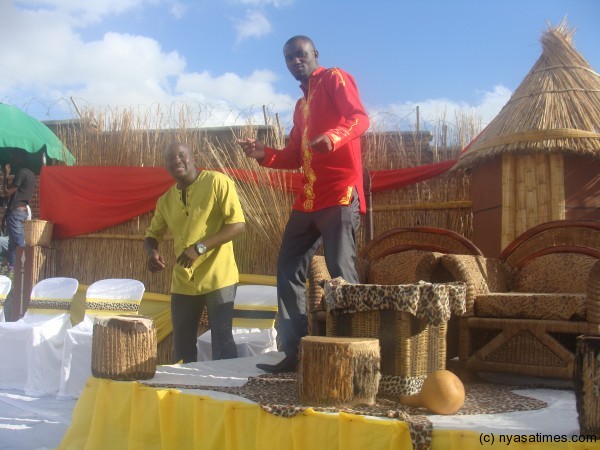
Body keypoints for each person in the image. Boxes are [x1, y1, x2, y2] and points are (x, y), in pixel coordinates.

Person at [238, 35, 370, 373]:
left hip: (339, 193)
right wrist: (263, 154)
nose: (295, 61)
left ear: (314, 55)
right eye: (289, 58)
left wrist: (333, 137)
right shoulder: (300, 107)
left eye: (300, 54)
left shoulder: (334, 78)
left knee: (342, 273)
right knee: (287, 268)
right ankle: (295, 353)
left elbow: (359, 118)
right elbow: (295, 155)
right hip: (308, 199)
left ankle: (354, 357)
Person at [144, 142, 246, 363]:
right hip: (184, 280)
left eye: (181, 155)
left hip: (219, 275)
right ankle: (186, 390)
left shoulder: (217, 182)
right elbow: (152, 234)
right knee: (182, 342)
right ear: (167, 167)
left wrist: (200, 247)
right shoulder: (166, 200)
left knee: (222, 338)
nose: (176, 161)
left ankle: (226, 389)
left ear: (193, 157)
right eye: (171, 159)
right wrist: (151, 252)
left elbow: (237, 225)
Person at [3, 153, 36, 269]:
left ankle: (22, 272)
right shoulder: (31, 174)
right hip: (21, 212)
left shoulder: (22, 172)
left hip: (16, 212)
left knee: (18, 245)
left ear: (21, 158)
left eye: (15, 157)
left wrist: (5, 176)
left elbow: (7, 192)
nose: (13, 160)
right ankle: (13, 272)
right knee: (13, 245)